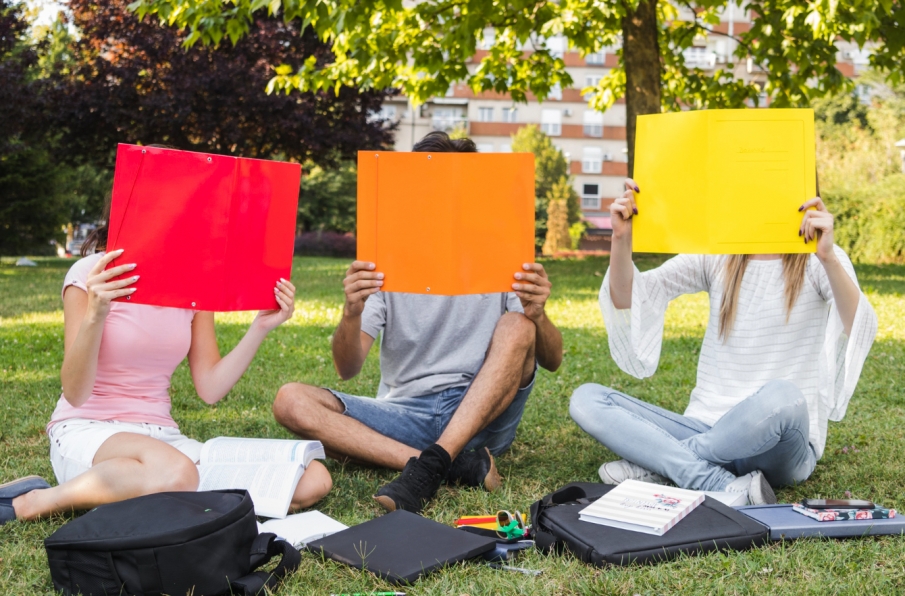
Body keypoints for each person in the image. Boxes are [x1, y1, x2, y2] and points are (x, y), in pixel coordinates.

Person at [273, 131, 563, 513]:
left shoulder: (500, 254)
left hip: (480, 411)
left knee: (519, 325)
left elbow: (552, 359)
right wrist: (351, 311)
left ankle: (430, 462)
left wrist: (538, 315)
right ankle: (448, 464)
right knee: (290, 400)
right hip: (405, 412)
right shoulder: (386, 260)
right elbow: (347, 368)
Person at [569, 177, 877, 504]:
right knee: (586, 399)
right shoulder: (718, 255)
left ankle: (664, 463)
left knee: (784, 395)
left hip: (780, 443)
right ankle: (711, 479)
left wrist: (827, 257)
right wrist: (620, 237)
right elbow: (627, 297)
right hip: (707, 426)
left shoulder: (817, 258)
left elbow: (859, 326)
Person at [1, 223, 332, 525]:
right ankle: (35, 501)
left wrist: (260, 327)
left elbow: (210, 388)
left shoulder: (193, 283)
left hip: (162, 439)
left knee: (313, 479)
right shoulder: (89, 274)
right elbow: (74, 392)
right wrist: (95, 313)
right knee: (174, 472)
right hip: (89, 430)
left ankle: (158, 491)